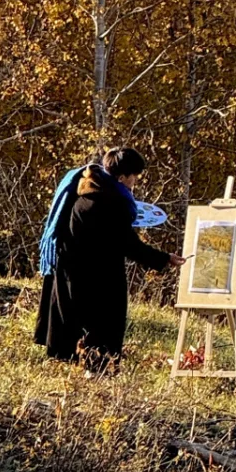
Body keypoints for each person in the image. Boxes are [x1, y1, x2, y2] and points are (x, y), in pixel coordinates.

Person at [34, 145, 183, 367]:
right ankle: (95, 367)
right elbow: (128, 244)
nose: (135, 182)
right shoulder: (111, 201)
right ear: (122, 177)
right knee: (101, 325)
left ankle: (68, 363)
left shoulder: (86, 187)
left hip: (70, 267)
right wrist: (164, 258)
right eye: (134, 176)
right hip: (97, 274)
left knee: (71, 324)